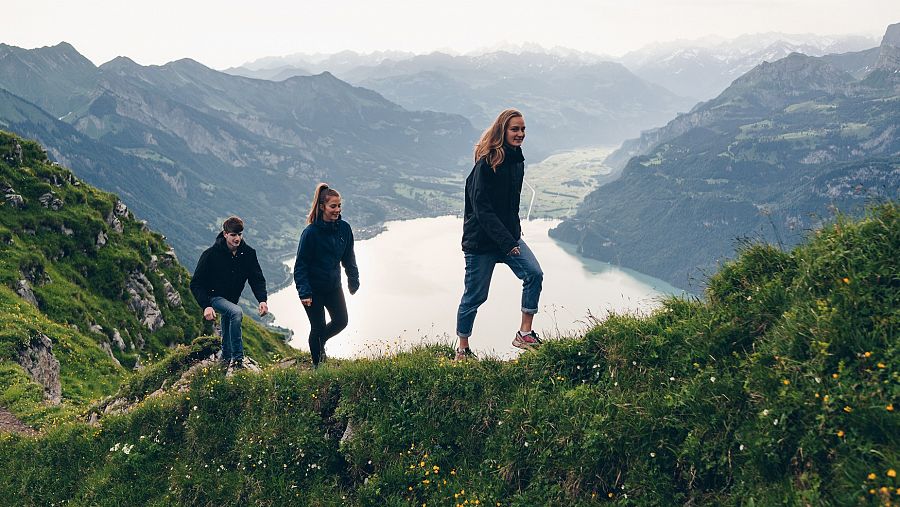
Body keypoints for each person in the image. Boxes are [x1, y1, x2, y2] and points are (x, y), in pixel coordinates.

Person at [455, 108, 544, 360]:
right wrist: (507, 242)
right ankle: (462, 349)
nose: (520, 134)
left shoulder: (517, 161)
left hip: (508, 237)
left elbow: (510, 204)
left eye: (523, 129)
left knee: (534, 274)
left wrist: (513, 233)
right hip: (482, 242)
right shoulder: (485, 164)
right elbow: (482, 210)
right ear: (502, 130)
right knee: (475, 296)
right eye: (515, 129)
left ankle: (525, 334)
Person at [293, 183, 360, 369]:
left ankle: (319, 343)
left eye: (339, 206)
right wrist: (304, 292)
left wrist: (353, 279)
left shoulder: (344, 229)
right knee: (318, 327)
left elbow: (348, 256)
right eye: (333, 206)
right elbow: (300, 266)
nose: (337, 209)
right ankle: (319, 368)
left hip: (333, 286)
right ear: (322, 207)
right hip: (312, 290)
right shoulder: (311, 233)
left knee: (341, 321)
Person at [190, 216, 269, 369]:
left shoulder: (249, 254)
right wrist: (206, 305)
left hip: (231, 299)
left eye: (240, 234)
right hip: (213, 297)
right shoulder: (210, 254)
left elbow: (257, 279)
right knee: (236, 313)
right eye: (233, 235)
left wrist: (262, 300)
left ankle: (225, 362)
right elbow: (196, 283)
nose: (237, 238)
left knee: (227, 325)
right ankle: (238, 360)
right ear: (225, 234)